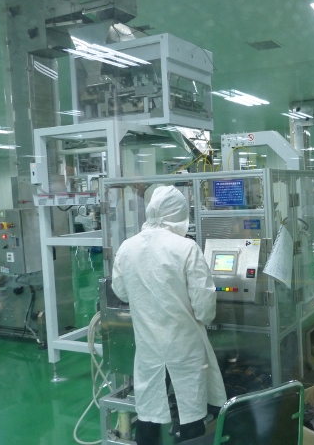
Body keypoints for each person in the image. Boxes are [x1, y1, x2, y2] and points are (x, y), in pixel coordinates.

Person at [112, 186, 227, 445]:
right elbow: (204, 306)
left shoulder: (127, 247)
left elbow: (121, 291)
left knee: (149, 409)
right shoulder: (186, 248)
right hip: (183, 345)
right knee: (191, 410)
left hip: (149, 345)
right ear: (179, 214)